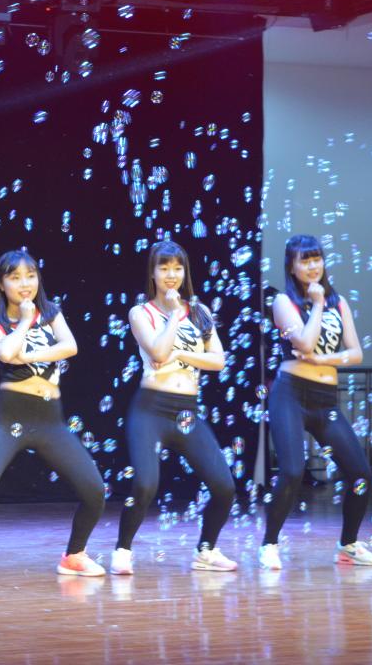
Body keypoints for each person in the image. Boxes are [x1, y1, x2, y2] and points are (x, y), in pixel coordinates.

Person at [0, 249, 106, 582]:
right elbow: (6, 352)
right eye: (15, 277)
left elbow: (70, 346)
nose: (25, 284)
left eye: (30, 276)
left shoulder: (50, 313)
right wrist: (22, 321)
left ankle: (74, 555)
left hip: (50, 420)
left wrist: (28, 354)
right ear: (1, 284)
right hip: (9, 417)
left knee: (94, 489)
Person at [111, 240, 237, 576]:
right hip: (150, 409)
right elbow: (158, 352)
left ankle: (206, 550)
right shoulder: (141, 313)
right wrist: (172, 317)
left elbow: (218, 360)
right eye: (164, 267)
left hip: (187, 410)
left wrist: (182, 352)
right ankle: (122, 549)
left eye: (177, 268)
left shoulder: (200, 311)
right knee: (145, 485)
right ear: (152, 272)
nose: (171, 275)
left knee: (224, 486)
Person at [259, 234, 372, 570]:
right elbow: (305, 342)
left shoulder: (339, 302)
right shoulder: (283, 301)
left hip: (326, 400)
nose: (313, 266)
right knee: (292, 471)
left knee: (360, 473)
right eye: (305, 260)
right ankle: (269, 544)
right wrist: (315, 304)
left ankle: (348, 544)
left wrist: (324, 360)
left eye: (317, 259)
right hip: (290, 394)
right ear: (292, 267)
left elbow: (356, 353)